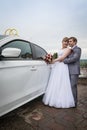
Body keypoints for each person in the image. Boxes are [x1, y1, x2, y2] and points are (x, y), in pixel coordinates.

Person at [43, 37, 75, 108]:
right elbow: (56, 57)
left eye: (67, 42)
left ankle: (61, 101)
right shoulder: (59, 49)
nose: (66, 43)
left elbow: (62, 57)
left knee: (62, 82)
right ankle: (53, 99)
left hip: (63, 67)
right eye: (64, 41)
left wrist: (53, 61)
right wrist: (48, 59)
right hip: (56, 67)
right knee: (55, 81)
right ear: (62, 42)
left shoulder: (69, 49)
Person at [63, 37, 81, 107]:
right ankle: (70, 101)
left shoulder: (77, 49)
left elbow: (74, 58)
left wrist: (64, 61)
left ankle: (74, 103)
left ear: (75, 42)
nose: (69, 42)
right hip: (68, 70)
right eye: (69, 41)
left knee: (73, 86)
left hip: (74, 71)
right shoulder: (70, 50)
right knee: (69, 87)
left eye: (70, 41)